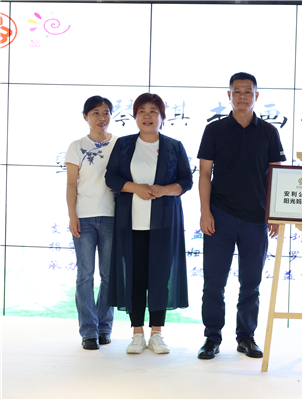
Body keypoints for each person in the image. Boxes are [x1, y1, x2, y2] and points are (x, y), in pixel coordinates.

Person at [197, 72, 286, 360]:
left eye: (248, 91)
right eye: (237, 91)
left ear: (256, 96)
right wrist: (205, 212)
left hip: (256, 219)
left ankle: (246, 337)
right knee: (214, 282)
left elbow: (276, 176)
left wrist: (275, 214)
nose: (243, 96)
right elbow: (204, 174)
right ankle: (212, 338)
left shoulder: (269, 132)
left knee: (251, 283)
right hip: (219, 216)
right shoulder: (214, 130)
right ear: (229, 95)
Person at [105, 93, 193, 355]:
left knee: (159, 278)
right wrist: (136, 188)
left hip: (164, 224)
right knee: (135, 278)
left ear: (162, 117)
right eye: (142, 111)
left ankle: (156, 334)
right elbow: (111, 177)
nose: (147, 116)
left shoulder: (174, 146)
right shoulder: (123, 144)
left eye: (153, 111)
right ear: (135, 116)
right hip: (130, 224)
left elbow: (186, 181)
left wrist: (163, 190)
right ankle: (136, 334)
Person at [66, 96, 117, 350]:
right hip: (84, 218)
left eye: (106, 112)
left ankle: (104, 327)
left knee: (108, 276)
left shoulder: (119, 144)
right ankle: (88, 331)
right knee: (85, 276)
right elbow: (71, 184)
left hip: (111, 217)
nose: (101, 118)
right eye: (95, 113)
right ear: (85, 117)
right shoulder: (77, 146)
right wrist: (72, 215)